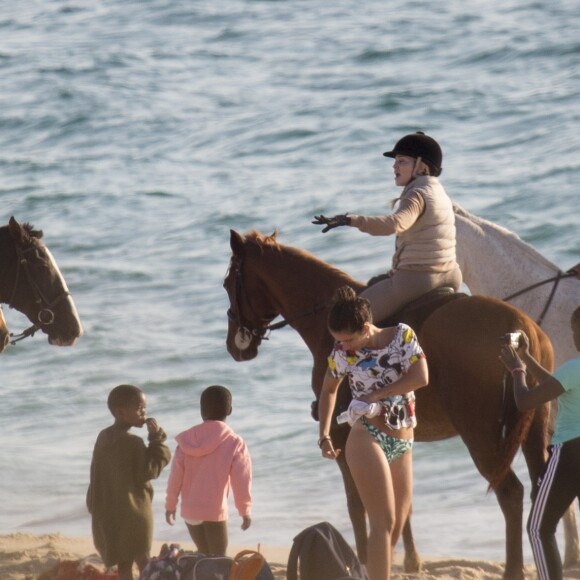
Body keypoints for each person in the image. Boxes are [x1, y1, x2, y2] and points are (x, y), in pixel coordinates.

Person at [318, 285, 429, 580]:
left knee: (394, 527)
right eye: (338, 341)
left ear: (366, 328)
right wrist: (324, 433)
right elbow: (328, 390)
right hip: (367, 436)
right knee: (383, 522)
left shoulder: (401, 336)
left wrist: (375, 395)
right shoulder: (342, 354)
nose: (344, 347)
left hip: (404, 439)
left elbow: (421, 377)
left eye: (349, 340)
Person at [313, 131, 462, 324]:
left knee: (348, 321)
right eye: (395, 161)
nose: (394, 166)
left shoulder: (416, 194)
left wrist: (350, 220)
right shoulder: (439, 191)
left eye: (402, 161)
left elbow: (395, 223)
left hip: (419, 280)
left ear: (421, 166)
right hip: (451, 275)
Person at [499, 306, 580, 580]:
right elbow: (558, 385)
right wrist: (527, 357)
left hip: (570, 453)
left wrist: (516, 370)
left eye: (575, 330)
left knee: (539, 529)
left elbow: (525, 401)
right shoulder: (571, 374)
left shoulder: (574, 368)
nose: (573, 336)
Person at [87, 384, 171, 580]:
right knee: (143, 559)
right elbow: (150, 470)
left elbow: (96, 472)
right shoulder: (133, 443)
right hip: (134, 513)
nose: (144, 412)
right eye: (140, 408)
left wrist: (93, 502)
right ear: (120, 412)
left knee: (124, 564)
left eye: (145, 408)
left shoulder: (103, 436)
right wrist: (157, 439)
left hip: (108, 511)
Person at [165, 385, 252, 556]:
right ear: (230, 410)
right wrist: (245, 510)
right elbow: (241, 480)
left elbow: (175, 477)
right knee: (218, 558)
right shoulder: (235, 442)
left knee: (204, 555)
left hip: (190, 511)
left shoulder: (187, 441)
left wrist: (170, 505)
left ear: (201, 411)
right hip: (214, 510)